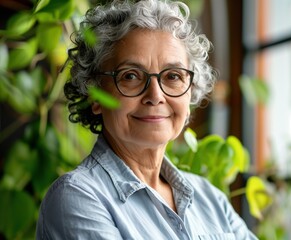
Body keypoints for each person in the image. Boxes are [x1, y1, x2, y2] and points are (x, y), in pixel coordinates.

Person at [36, 0, 257, 239]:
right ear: (95, 94)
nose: (155, 96)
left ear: (190, 91)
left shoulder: (211, 199)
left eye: (173, 76)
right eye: (131, 76)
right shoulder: (77, 196)